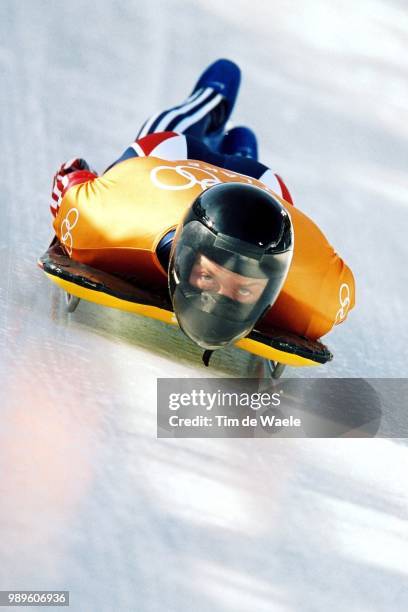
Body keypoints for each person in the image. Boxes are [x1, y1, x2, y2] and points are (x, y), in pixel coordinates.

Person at [49, 59, 355, 350]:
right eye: (207, 276)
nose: (218, 303)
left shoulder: (316, 292)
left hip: (260, 187)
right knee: (162, 136)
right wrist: (92, 181)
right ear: (185, 254)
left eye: (244, 290)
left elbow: (70, 178)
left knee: (180, 148)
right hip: (173, 161)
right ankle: (208, 103)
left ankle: (241, 152)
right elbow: (72, 182)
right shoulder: (115, 224)